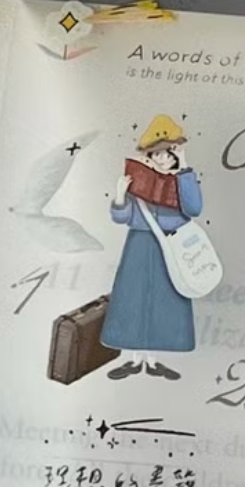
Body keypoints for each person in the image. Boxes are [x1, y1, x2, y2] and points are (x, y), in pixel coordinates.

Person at [101, 115, 202, 380]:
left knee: (166, 301)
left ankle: (154, 361)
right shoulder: (141, 180)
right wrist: (120, 195)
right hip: (139, 244)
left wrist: (184, 169)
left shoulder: (183, 180)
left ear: (176, 153)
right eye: (156, 153)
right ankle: (135, 360)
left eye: (167, 153)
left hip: (171, 245)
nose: (162, 158)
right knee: (133, 299)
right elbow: (121, 218)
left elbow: (194, 208)